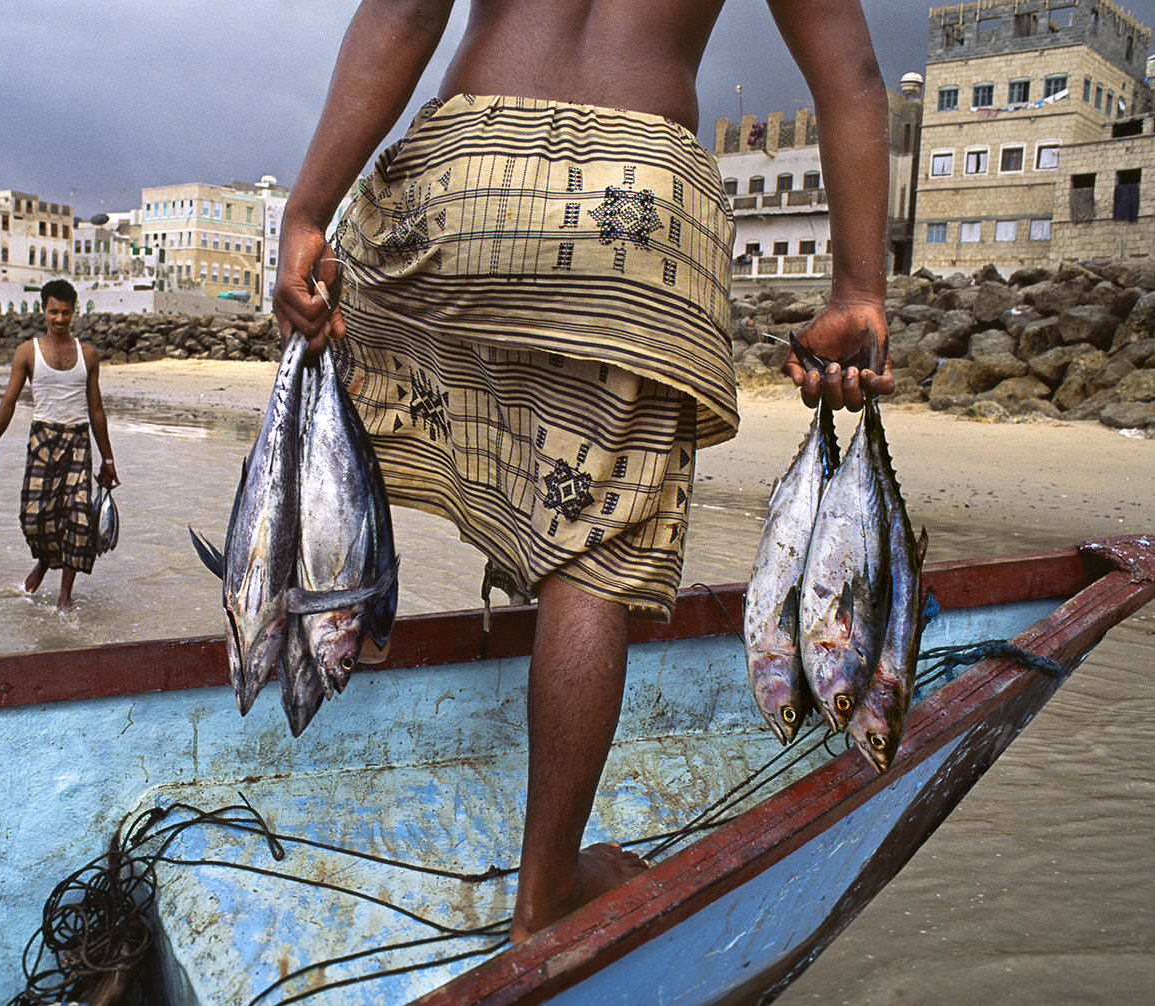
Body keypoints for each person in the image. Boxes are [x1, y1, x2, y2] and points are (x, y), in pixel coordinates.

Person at [273, 0, 895, 942]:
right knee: (596, 558)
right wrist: (858, 288)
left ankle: (355, 620)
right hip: (641, 202)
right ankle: (545, 897)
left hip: (464, 180)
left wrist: (308, 212)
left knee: (332, 370)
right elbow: (848, 75)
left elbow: (404, 11)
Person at [0, 279, 119, 611]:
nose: (59, 319)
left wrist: (107, 459)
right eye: (53, 312)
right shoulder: (28, 352)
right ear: (43, 310)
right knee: (34, 517)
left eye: (65, 312)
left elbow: (96, 410)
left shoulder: (88, 355)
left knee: (77, 520)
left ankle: (64, 598)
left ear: (74, 312)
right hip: (42, 440)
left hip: (77, 440)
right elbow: (8, 403)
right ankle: (43, 563)